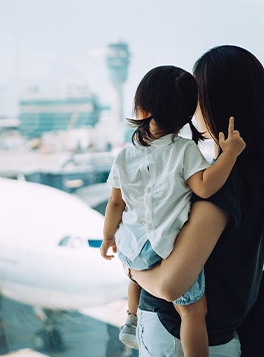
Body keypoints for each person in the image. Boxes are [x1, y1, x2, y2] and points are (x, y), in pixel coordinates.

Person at [128, 46, 264, 356]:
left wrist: (133, 269)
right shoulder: (255, 174)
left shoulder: (222, 186)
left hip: (177, 336)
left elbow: (173, 286)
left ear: (215, 101)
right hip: (221, 336)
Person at [101, 65, 246, 357]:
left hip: (132, 245)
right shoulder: (184, 151)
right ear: (187, 115)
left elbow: (116, 203)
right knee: (194, 312)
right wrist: (229, 154)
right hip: (163, 246)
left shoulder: (124, 155)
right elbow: (205, 188)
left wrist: (108, 238)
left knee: (135, 272)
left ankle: (132, 319)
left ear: (142, 110)